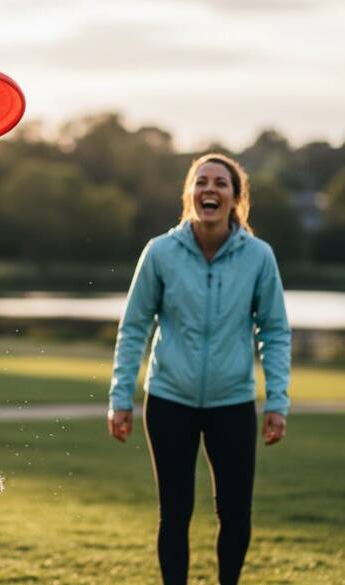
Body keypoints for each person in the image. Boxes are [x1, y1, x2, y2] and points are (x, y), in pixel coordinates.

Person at [107, 153, 291, 585]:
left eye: (221, 183)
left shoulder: (259, 257)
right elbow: (134, 328)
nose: (210, 189)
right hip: (169, 400)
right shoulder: (161, 252)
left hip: (233, 402)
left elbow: (276, 332)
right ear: (189, 194)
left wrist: (277, 401)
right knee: (175, 512)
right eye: (201, 182)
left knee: (235, 512)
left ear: (235, 198)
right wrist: (120, 398)